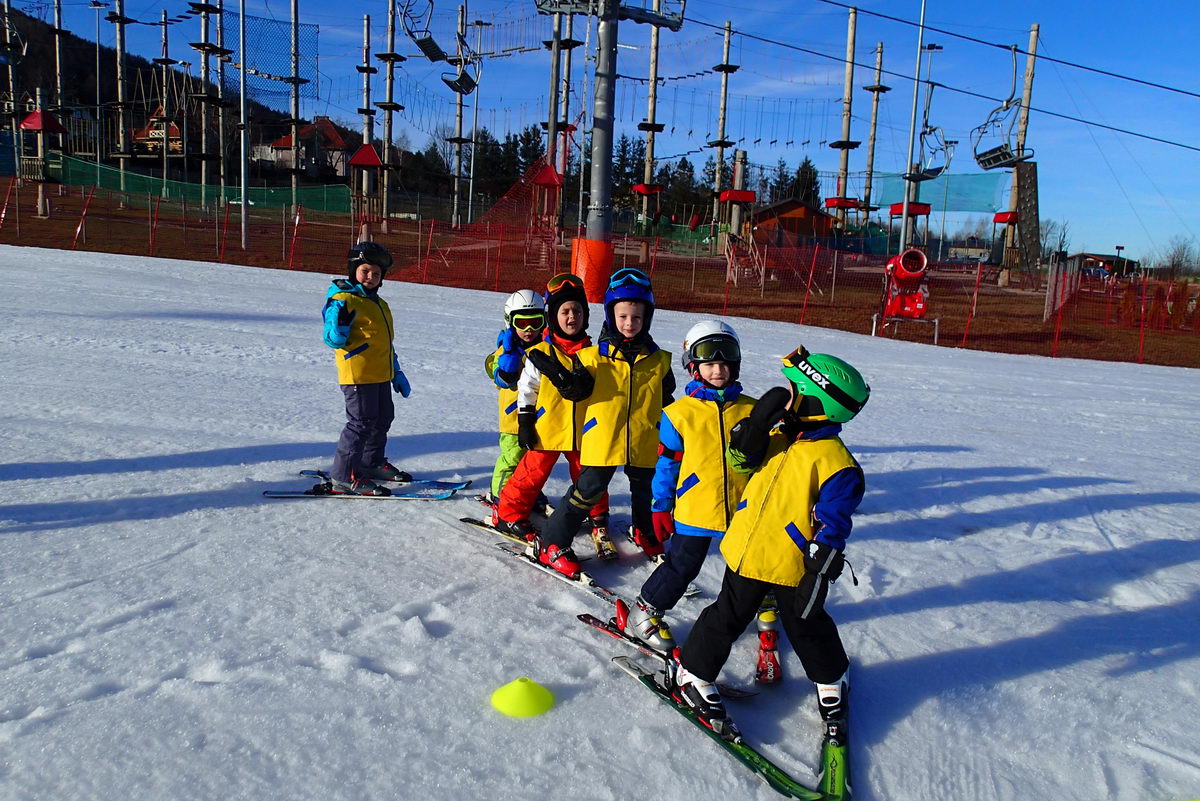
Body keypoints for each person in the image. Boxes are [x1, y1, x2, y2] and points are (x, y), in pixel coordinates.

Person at [672, 347, 870, 742]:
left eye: (795, 392)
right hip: (747, 552)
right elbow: (740, 461)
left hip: (792, 565)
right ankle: (692, 673)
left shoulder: (838, 465)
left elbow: (833, 524)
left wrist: (820, 568)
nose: (787, 397)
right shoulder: (779, 434)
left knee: (808, 628)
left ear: (816, 402)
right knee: (726, 617)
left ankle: (833, 677)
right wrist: (756, 426)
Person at [615, 320, 756, 652]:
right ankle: (646, 612)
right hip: (695, 506)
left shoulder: (752, 410)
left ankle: (764, 609)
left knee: (751, 563)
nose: (718, 370)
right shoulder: (679, 414)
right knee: (683, 564)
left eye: (724, 362)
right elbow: (667, 464)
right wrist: (660, 505)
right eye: (709, 363)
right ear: (693, 367)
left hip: (744, 506)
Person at [530, 267, 675, 577]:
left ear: (647, 318)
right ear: (611, 316)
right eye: (622, 317)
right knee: (588, 491)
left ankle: (645, 532)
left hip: (644, 440)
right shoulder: (595, 356)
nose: (629, 324)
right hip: (603, 439)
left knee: (644, 491)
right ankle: (552, 542)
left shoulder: (660, 360)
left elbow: (667, 400)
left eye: (636, 318)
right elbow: (576, 389)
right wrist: (559, 375)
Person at [493, 274, 609, 543]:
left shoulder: (593, 354)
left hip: (583, 432)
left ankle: (597, 513)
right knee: (531, 475)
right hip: (547, 429)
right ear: (553, 317)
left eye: (577, 311)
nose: (572, 317)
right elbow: (527, 388)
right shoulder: (541, 351)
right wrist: (524, 422)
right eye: (564, 311)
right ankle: (509, 513)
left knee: (589, 474)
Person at [321, 241, 411, 496]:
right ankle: (343, 476)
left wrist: (396, 371)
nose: (370, 277)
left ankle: (371, 463)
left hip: (380, 374)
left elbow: (384, 342)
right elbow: (331, 338)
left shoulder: (379, 304)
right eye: (365, 271)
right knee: (360, 424)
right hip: (358, 375)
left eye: (376, 273)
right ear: (354, 271)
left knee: (382, 419)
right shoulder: (342, 299)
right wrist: (339, 330)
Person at [483, 289, 547, 504]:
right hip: (513, 420)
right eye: (521, 324)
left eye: (535, 322)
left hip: (538, 417)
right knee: (512, 458)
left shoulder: (545, 349)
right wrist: (507, 367)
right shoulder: (506, 351)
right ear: (510, 322)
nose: (529, 330)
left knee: (531, 461)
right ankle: (499, 493)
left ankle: (526, 491)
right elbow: (499, 376)